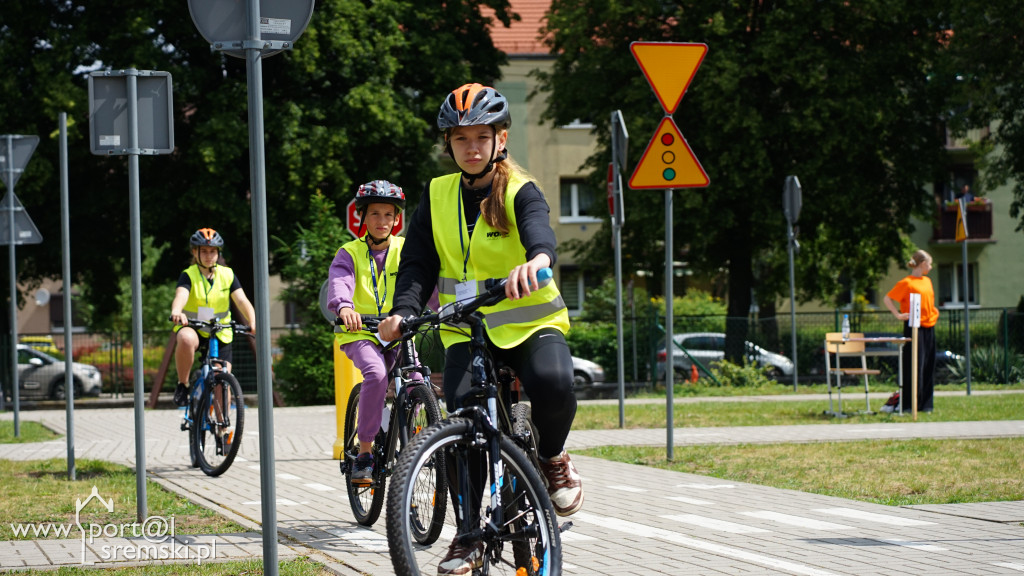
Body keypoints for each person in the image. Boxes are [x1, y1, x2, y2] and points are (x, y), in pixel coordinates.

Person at [378, 82, 583, 574]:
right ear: (448, 143)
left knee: (553, 384)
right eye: (461, 139)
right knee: (463, 428)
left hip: (531, 322)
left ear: (501, 139)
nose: (471, 148)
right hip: (465, 329)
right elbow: (419, 265)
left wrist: (536, 260)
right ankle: (469, 537)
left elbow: (540, 231)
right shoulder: (436, 193)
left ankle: (553, 457)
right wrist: (404, 310)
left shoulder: (519, 188)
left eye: (480, 138)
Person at [325, 180, 412, 486]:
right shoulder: (350, 252)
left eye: (388, 214)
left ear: (396, 219)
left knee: (416, 380)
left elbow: (422, 282)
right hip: (360, 331)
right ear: (362, 217)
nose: (382, 221)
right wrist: (344, 307)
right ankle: (364, 453)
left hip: (399, 330)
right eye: (374, 214)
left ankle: (415, 442)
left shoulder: (406, 249)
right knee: (375, 374)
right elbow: (340, 282)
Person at [169, 228, 256, 408]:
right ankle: (183, 384)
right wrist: (177, 310)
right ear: (195, 252)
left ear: (218, 253)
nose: (209, 256)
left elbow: (242, 300)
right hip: (194, 327)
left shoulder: (227, 275)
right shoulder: (189, 275)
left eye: (213, 251)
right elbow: (181, 295)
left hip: (220, 332)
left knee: (221, 381)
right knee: (185, 338)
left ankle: (222, 429)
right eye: (204, 251)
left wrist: (253, 321)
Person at [883, 249, 938, 413]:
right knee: (914, 366)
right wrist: (898, 315)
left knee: (928, 365)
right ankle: (908, 404)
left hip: (929, 326)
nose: (931, 266)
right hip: (914, 327)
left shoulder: (927, 281)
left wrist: (934, 310)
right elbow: (888, 299)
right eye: (929, 263)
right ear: (922, 264)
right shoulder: (907, 282)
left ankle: (926, 405)